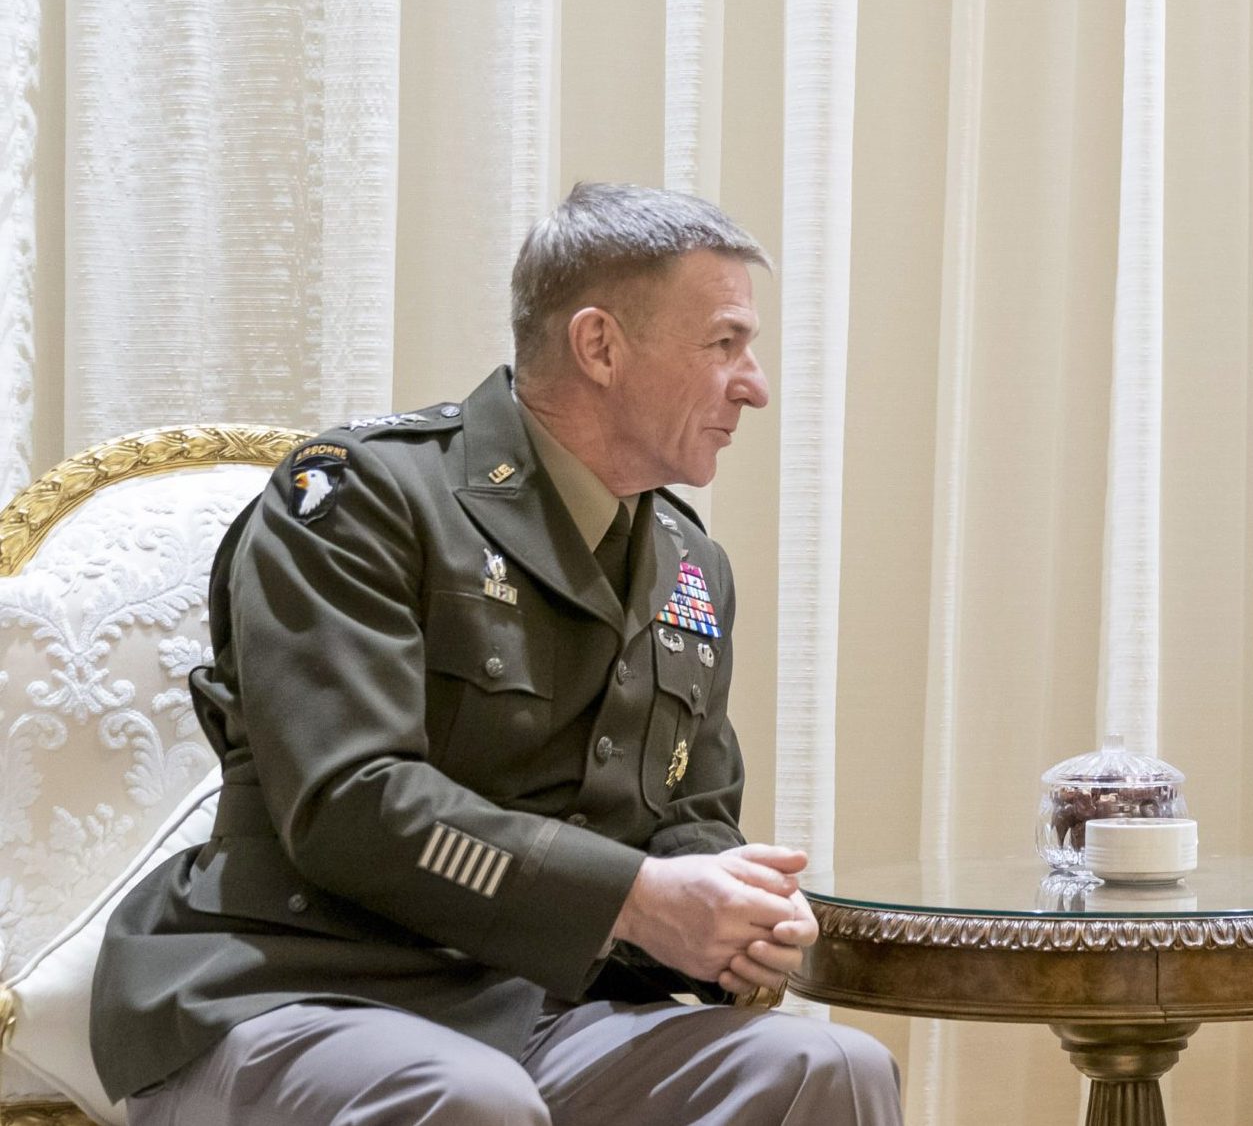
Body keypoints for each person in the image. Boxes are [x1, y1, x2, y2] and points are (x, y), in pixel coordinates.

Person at [91, 183, 901, 1126]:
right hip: (300, 987)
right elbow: (352, 805)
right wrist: (638, 899)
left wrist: (731, 920)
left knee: (829, 1064)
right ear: (599, 345)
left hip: (536, 1007)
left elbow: (688, 817)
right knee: (468, 1098)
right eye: (724, 344)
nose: (754, 383)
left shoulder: (690, 563)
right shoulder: (362, 501)